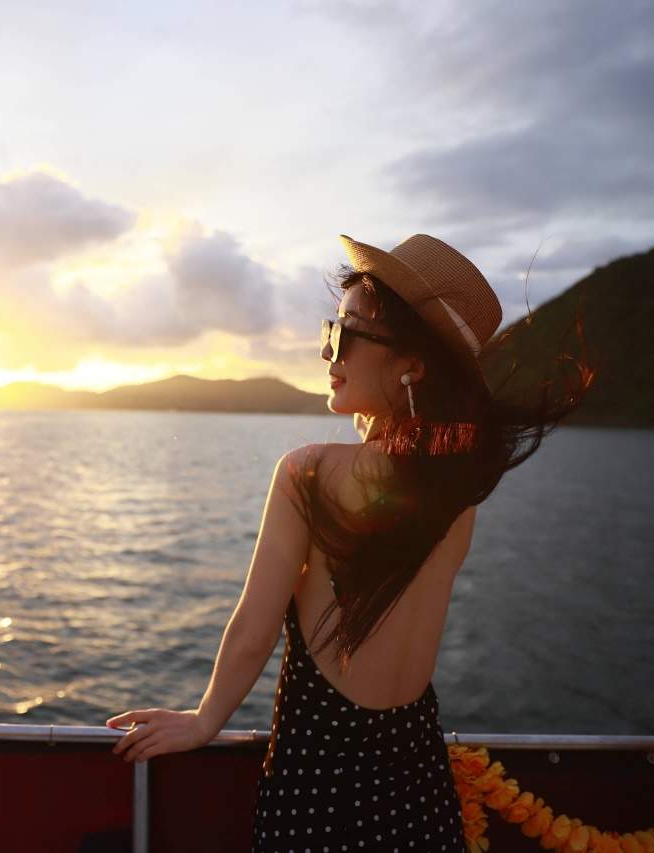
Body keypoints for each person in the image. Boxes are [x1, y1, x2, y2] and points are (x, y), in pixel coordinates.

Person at [106, 233, 594, 851]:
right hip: (419, 792)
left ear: (412, 366)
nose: (327, 351)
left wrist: (206, 720)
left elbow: (255, 626)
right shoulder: (458, 493)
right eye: (329, 330)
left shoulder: (308, 473)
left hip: (319, 795)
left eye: (346, 334)